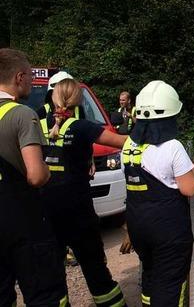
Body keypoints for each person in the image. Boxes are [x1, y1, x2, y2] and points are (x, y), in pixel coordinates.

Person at [39, 78, 128, 307]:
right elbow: (123, 142)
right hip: (78, 209)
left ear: (53, 97)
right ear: (78, 100)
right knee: (95, 269)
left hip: (46, 209)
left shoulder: (36, 123)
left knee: (51, 275)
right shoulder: (82, 127)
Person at [0, 48, 68, 307]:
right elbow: (36, 176)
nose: (31, 82)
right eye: (29, 76)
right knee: (43, 294)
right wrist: (48, 169)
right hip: (21, 221)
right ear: (18, 77)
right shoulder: (21, 114)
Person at [122, 80, 194, 306]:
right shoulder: (172, 146)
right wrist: (193, 169)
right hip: (168, 231)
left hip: (139, 227)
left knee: (150, 273)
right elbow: (189, 188)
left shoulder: (130, 145)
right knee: (170, 284)